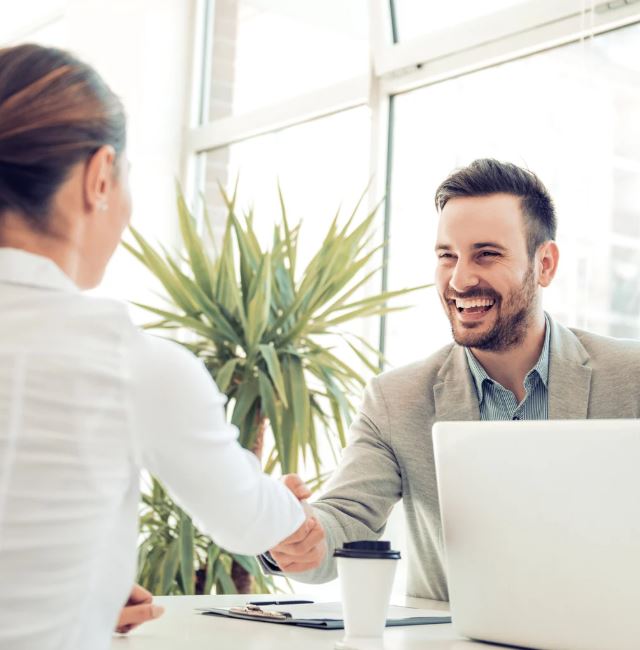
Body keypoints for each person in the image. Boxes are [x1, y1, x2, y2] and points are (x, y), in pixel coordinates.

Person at [0, 43, 317, 650]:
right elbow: (245, 519)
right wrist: (281, 503)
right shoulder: (130, 363)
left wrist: (75, 587)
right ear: (99, 177)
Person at [262, 158, 640, 600]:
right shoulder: (396, 400)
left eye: (487, 254)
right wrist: (295, 536)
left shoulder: (630, 378)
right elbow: (345, 520)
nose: (460, 279)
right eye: (447, 256)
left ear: (545, 265)